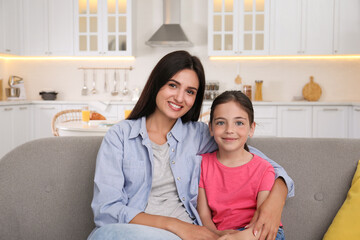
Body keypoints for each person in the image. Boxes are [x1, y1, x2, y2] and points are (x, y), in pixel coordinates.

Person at [88, 50, 294, 240]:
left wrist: (274, 205)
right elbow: (107, 209)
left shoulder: (199, 135)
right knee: (104, 235)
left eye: (190, 91)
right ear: (156, 84)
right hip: (143, 231)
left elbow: (263, 165)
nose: (179, 98)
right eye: (172, 85)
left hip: (188, 235)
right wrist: (174, 225)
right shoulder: (120, 136)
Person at [197, 91, 285, 240]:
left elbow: (263, 217)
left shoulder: (264, 169)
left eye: (239, 123)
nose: (229, 130)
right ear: (211, 128)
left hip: (258, 232)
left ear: (251, 128)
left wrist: (239, 237)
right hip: (221, 234)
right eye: (220, 122)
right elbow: (204, 216)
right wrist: (220, 235)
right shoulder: (202, 164)